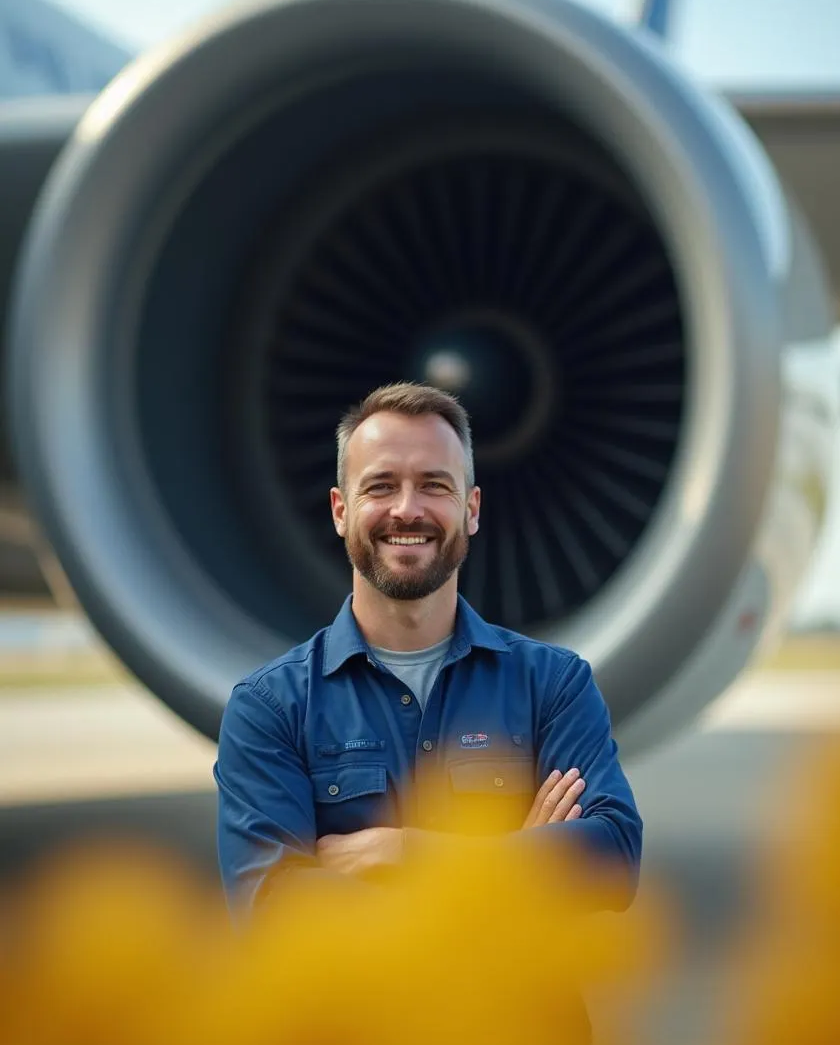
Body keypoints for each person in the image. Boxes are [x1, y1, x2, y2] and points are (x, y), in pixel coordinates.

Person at [214, 382, 642, 913]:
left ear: (472, 508)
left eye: (435, 485)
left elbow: (612, 863)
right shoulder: (270, 707)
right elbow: (276, 914)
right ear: (341, 510)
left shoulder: (553, 684)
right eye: (381, 486)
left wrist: (405, 852)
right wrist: (515, 868)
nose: (407, 509)